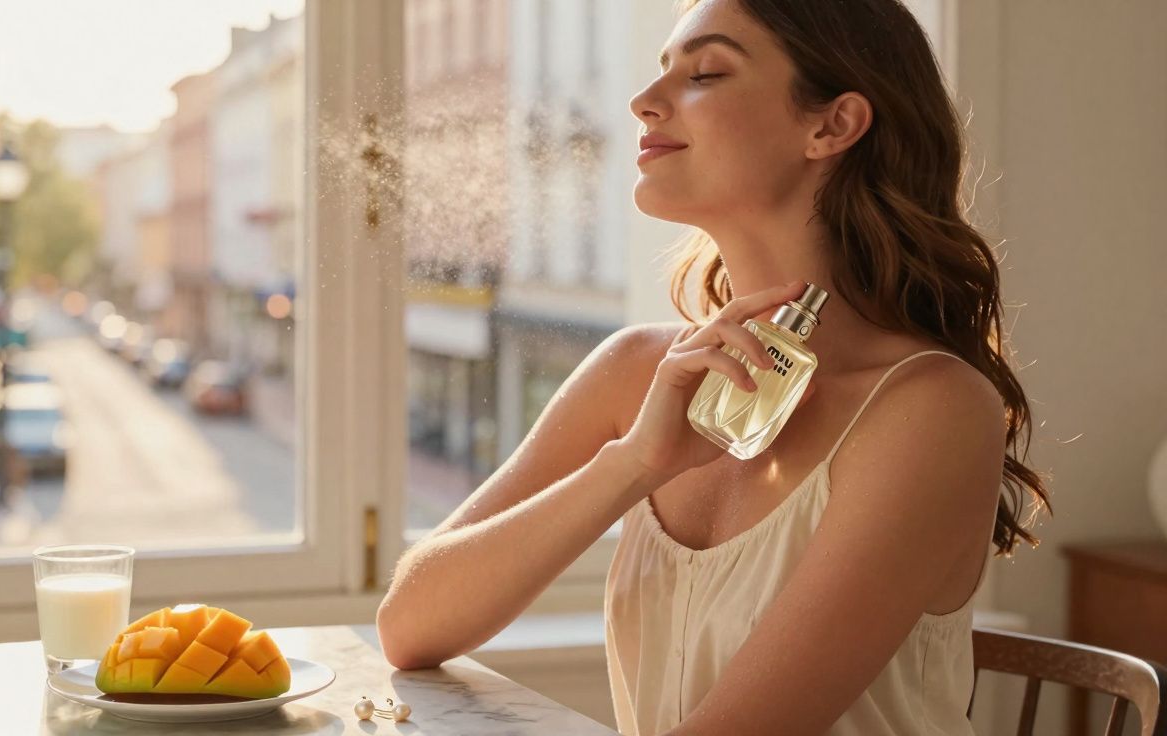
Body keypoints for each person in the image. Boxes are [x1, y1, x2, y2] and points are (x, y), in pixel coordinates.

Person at [377, 0, 1052, 733]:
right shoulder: (639, 370)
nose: (643, 102)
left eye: (704, 72)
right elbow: (410, 626)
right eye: (662, 70)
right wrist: (634, 462)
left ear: (830, 125)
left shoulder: (931, 409)